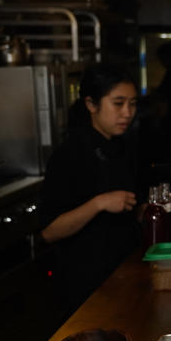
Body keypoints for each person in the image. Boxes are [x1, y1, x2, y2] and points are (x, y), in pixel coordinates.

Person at [39, 64, 141, 319]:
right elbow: (50, 231)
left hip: (123, 276)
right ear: (91, 104)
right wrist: (99, 203)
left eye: (132, 103)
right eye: (118, 103)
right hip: (85, 286)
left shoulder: (121, 146)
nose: (127, 113)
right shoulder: (70, 154)